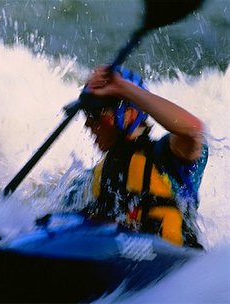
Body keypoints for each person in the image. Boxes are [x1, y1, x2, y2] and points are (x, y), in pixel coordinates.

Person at [64, 66, 208, 248]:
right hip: (119, 269)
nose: (87, 123)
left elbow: (193, 130)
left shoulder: (166, 158)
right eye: (86, 113)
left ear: (130, 114)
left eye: (96, 113)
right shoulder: (93, 178)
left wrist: (123, 88)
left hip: (177, 270)